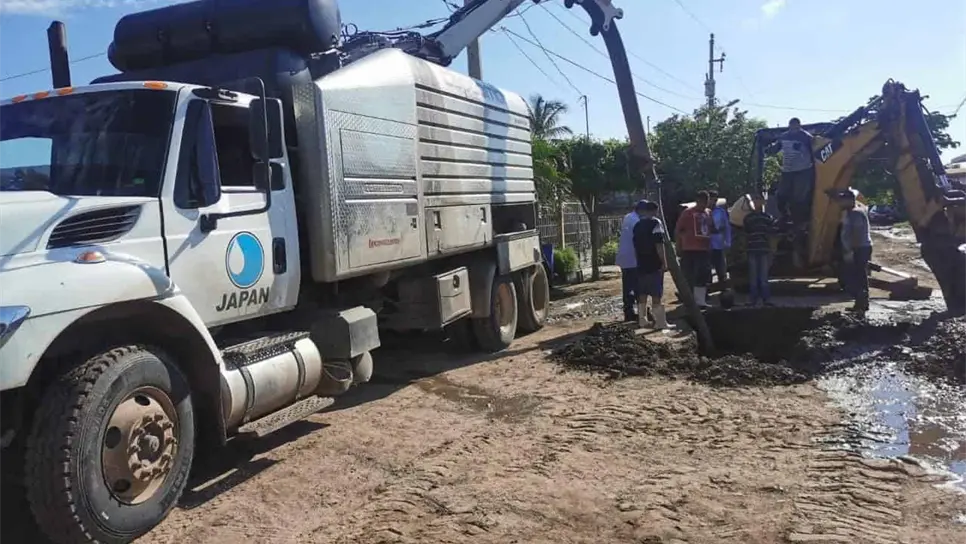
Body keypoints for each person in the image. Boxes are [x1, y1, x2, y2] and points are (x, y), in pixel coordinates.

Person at [766, 118, 816, 225]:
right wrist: (769, 150)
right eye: (792, 127)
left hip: (803, 171)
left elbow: (815, 152)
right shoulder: (784, 136)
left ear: (799, 126)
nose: (794, 130)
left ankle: (799, 221)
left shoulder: (806, 137)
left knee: (799, 197)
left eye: (796, 127)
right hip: (787, 171)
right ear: (789, 126)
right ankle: (784, 216)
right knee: (781, 195)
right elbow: (776, 148)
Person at [632, 200, 670, 329]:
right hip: (654, 263)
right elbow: (659, 245)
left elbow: (635, 246)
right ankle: (659, 322)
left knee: (642, 293)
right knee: (656, 293)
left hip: (641, 263)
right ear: (655, 211)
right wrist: (664, 262)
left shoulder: (637, 225)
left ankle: (642, 320)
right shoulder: (656, 223)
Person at [675, 190, 712, 308]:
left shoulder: (708, 213)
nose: (704, 204)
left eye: (706, 202)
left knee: (702, 274)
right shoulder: (688, 213)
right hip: (689, 248)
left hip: (703, 248)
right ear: (697, 201)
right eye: (702, 201)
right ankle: (689, 301)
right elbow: (678, 230)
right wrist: (678, 246)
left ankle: (700, 300)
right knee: (689, 275)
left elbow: (711, 229)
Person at [839, 189, 872, 314]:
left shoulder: (855, 213)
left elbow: (856, 233)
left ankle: (861, 302)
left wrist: (851, 251)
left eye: (843, 200)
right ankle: (861, 303)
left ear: (849, 200)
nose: (841, 202)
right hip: (860, 247)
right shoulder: (852, 211)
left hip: (859, 248)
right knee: (858, 276)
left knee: (857, 276)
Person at [742, 194, 779, 306]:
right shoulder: (748, 218)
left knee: (763, 276)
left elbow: (772, 234)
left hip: (764, 250)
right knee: (753, 276)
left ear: (763, 202)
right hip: (752, 249)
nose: (756, 202)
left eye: (759, 200)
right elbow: (745, 234)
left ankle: (766, 299)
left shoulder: (768, 218)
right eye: (755, 200)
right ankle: (753, 299)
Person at [615, 200, 644, 321]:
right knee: (636, 286)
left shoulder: (629, 217)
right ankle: (638, 312)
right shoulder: (636, 221)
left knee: (628, 286)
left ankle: (630, 312)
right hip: (633, 258)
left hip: (626, 258)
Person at [707, 190, 732, 289]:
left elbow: (726, 227)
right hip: (706, 244)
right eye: (710, 199)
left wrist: (728, 242)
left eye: (714, 200)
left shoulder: (721, 212)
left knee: (721, 269)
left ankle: (724, 290)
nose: (712, 202)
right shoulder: (703, 211)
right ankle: (707, 291)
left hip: (718, 243)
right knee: (706, 270)